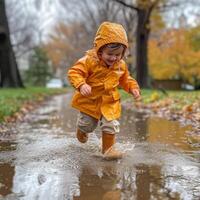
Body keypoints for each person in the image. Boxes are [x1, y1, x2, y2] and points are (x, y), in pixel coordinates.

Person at [68, 21, 140, 160]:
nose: (114, 58)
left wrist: (133, 88)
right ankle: (82, 131)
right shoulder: (89, 60)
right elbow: (74, 72)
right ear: (99, 50)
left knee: (111, 125)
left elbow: (126, 79)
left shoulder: (121, 65)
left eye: (118, 54)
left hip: (109, 102)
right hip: (90, 101)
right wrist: (82, 85)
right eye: (110, 54)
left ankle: (108, 151)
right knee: (87, 126)